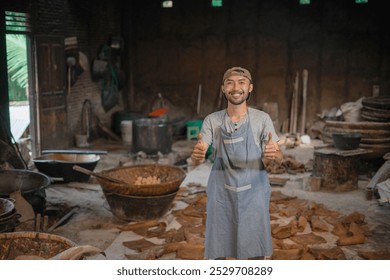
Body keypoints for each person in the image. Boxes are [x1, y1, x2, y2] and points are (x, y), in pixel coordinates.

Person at [191, 66, 283, 260]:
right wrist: (197, 155)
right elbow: (198, 155)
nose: (236, 87)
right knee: (220, 245)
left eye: (241, 82)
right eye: (230, 82)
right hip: (222, 193)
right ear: (223, 88)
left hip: (254, 193)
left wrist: (274, 154)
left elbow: (278, 156)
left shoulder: (261, 119)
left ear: (250, 88)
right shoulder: (212, 120)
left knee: (254, 247)